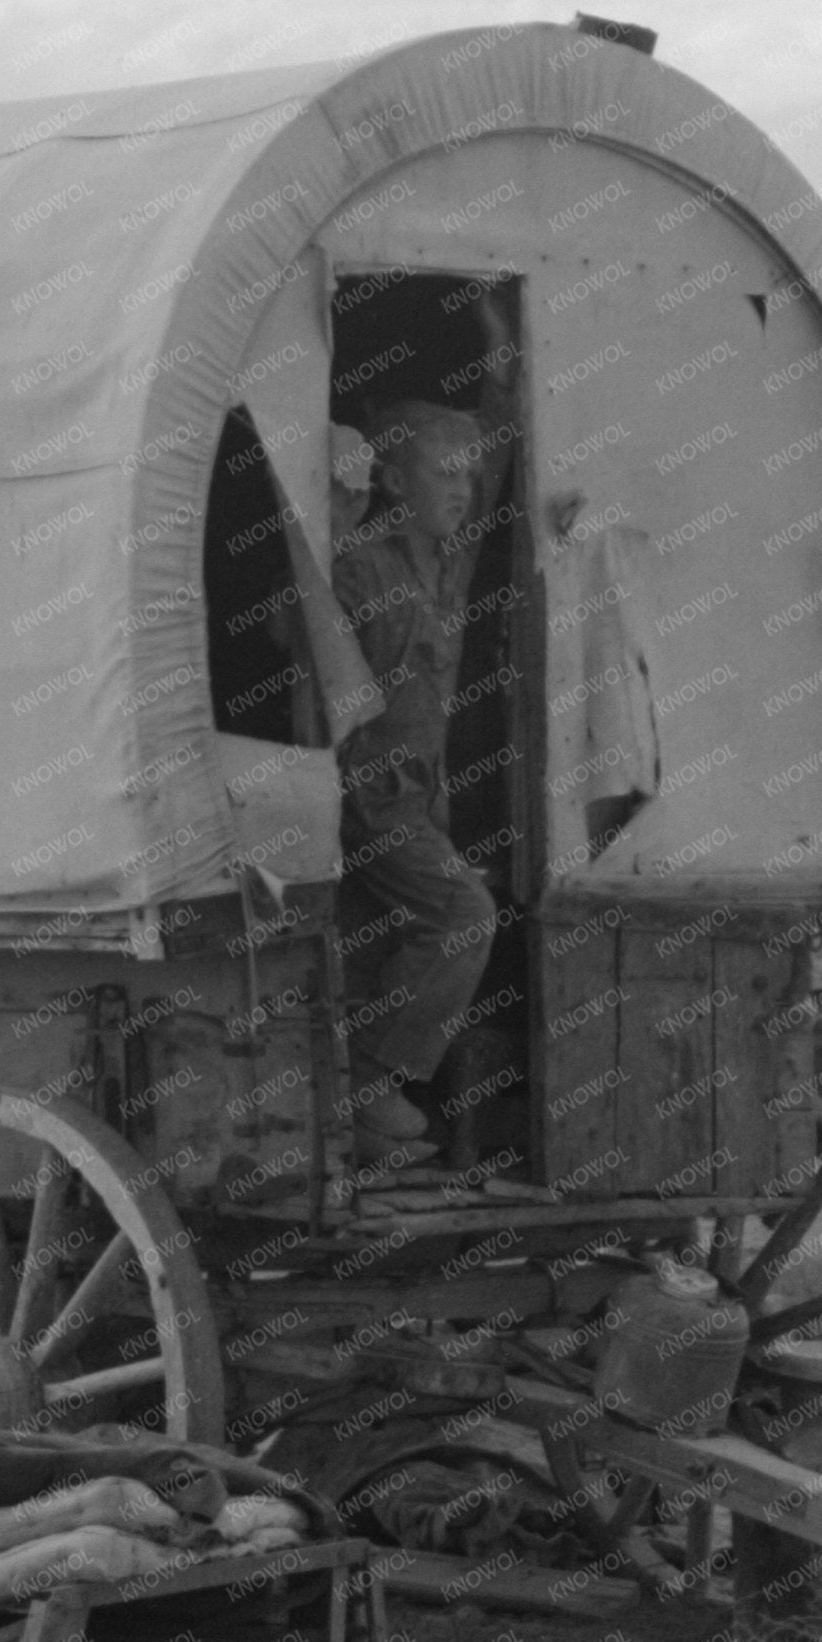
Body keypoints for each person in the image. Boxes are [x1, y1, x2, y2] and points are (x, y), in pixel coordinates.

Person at [328, 400, 502, 1168]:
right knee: (463, 914)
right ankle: (363, 1080)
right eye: (442, 473)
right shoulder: (361, 564)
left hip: (424, 792)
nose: (460, 488)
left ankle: (361, 1125)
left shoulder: (446, 560)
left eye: (467, 473)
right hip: (372, 788)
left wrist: (504, 369)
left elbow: (489, 489)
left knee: (382, 948)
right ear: (395, 481)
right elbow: (290, 634)